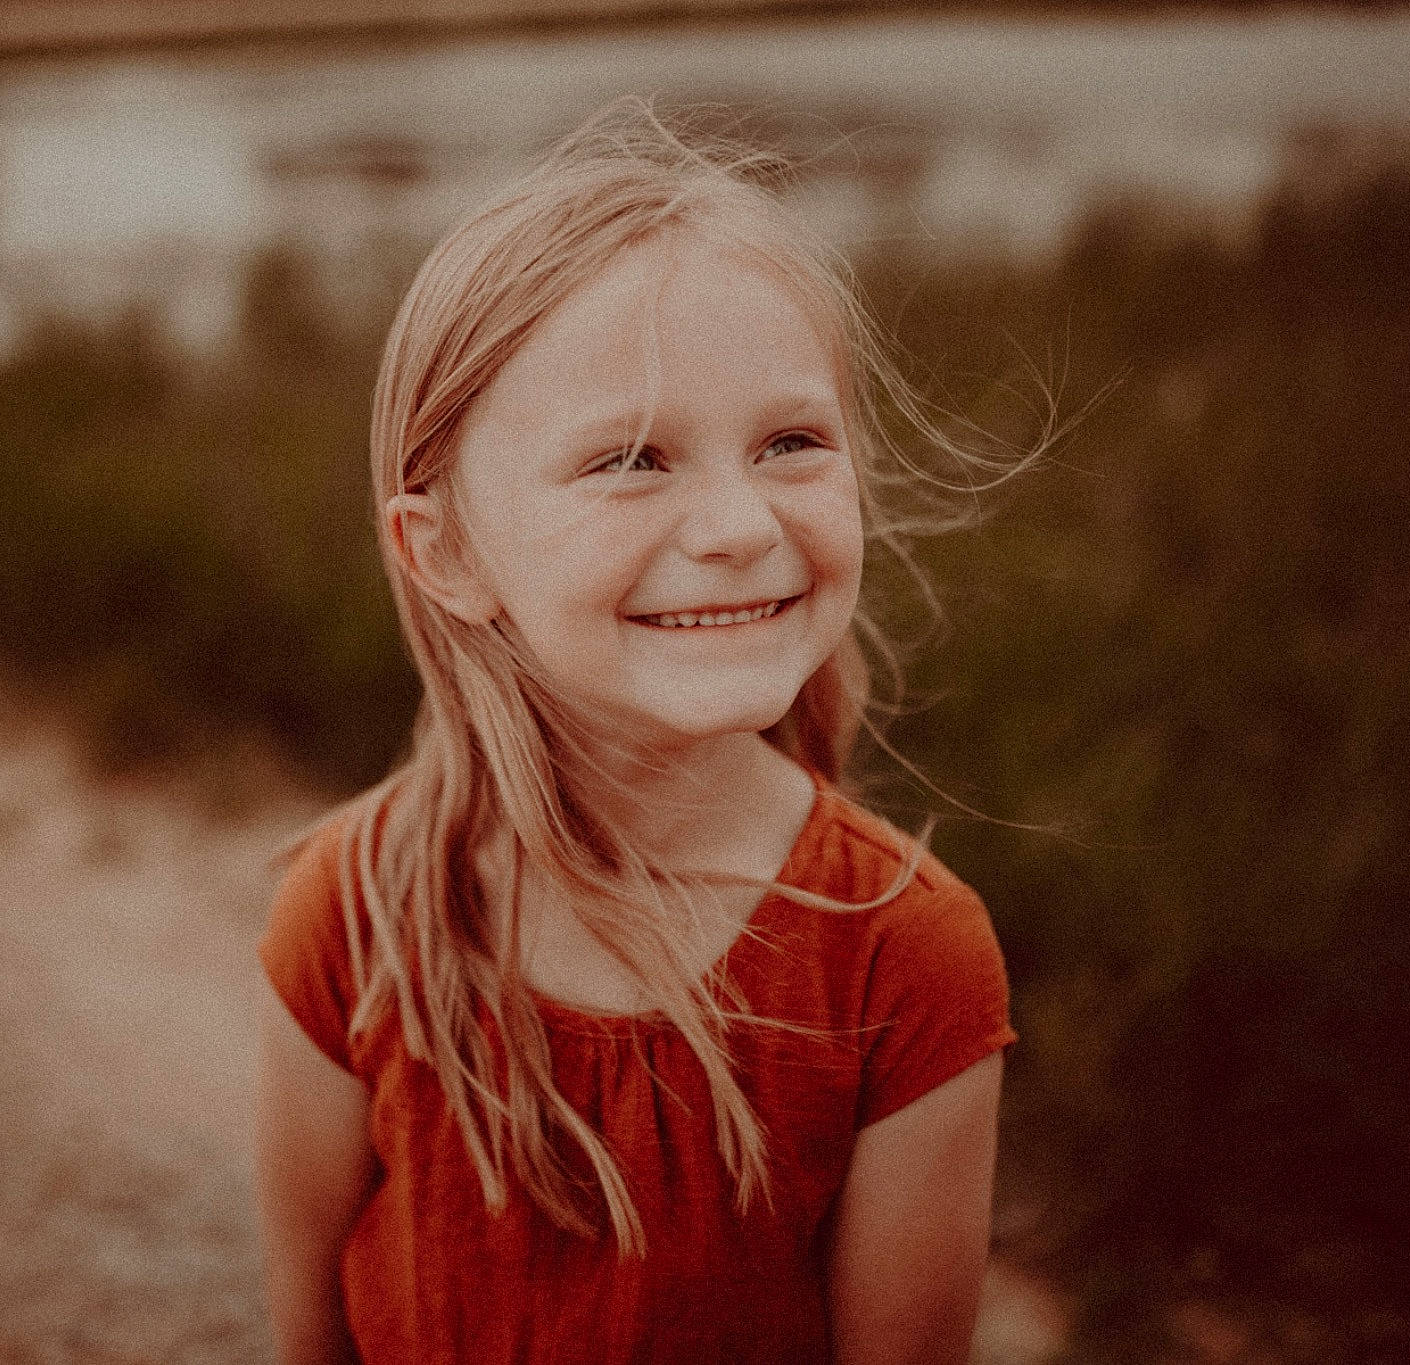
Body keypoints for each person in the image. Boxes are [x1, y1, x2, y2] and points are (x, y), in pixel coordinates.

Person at [254, 102, 1023, 1365]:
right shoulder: (350, 915)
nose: (735, 525)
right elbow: (310, 1334)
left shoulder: (906, 966)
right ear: (445, 554)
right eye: (630, 460)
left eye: (789, 443)